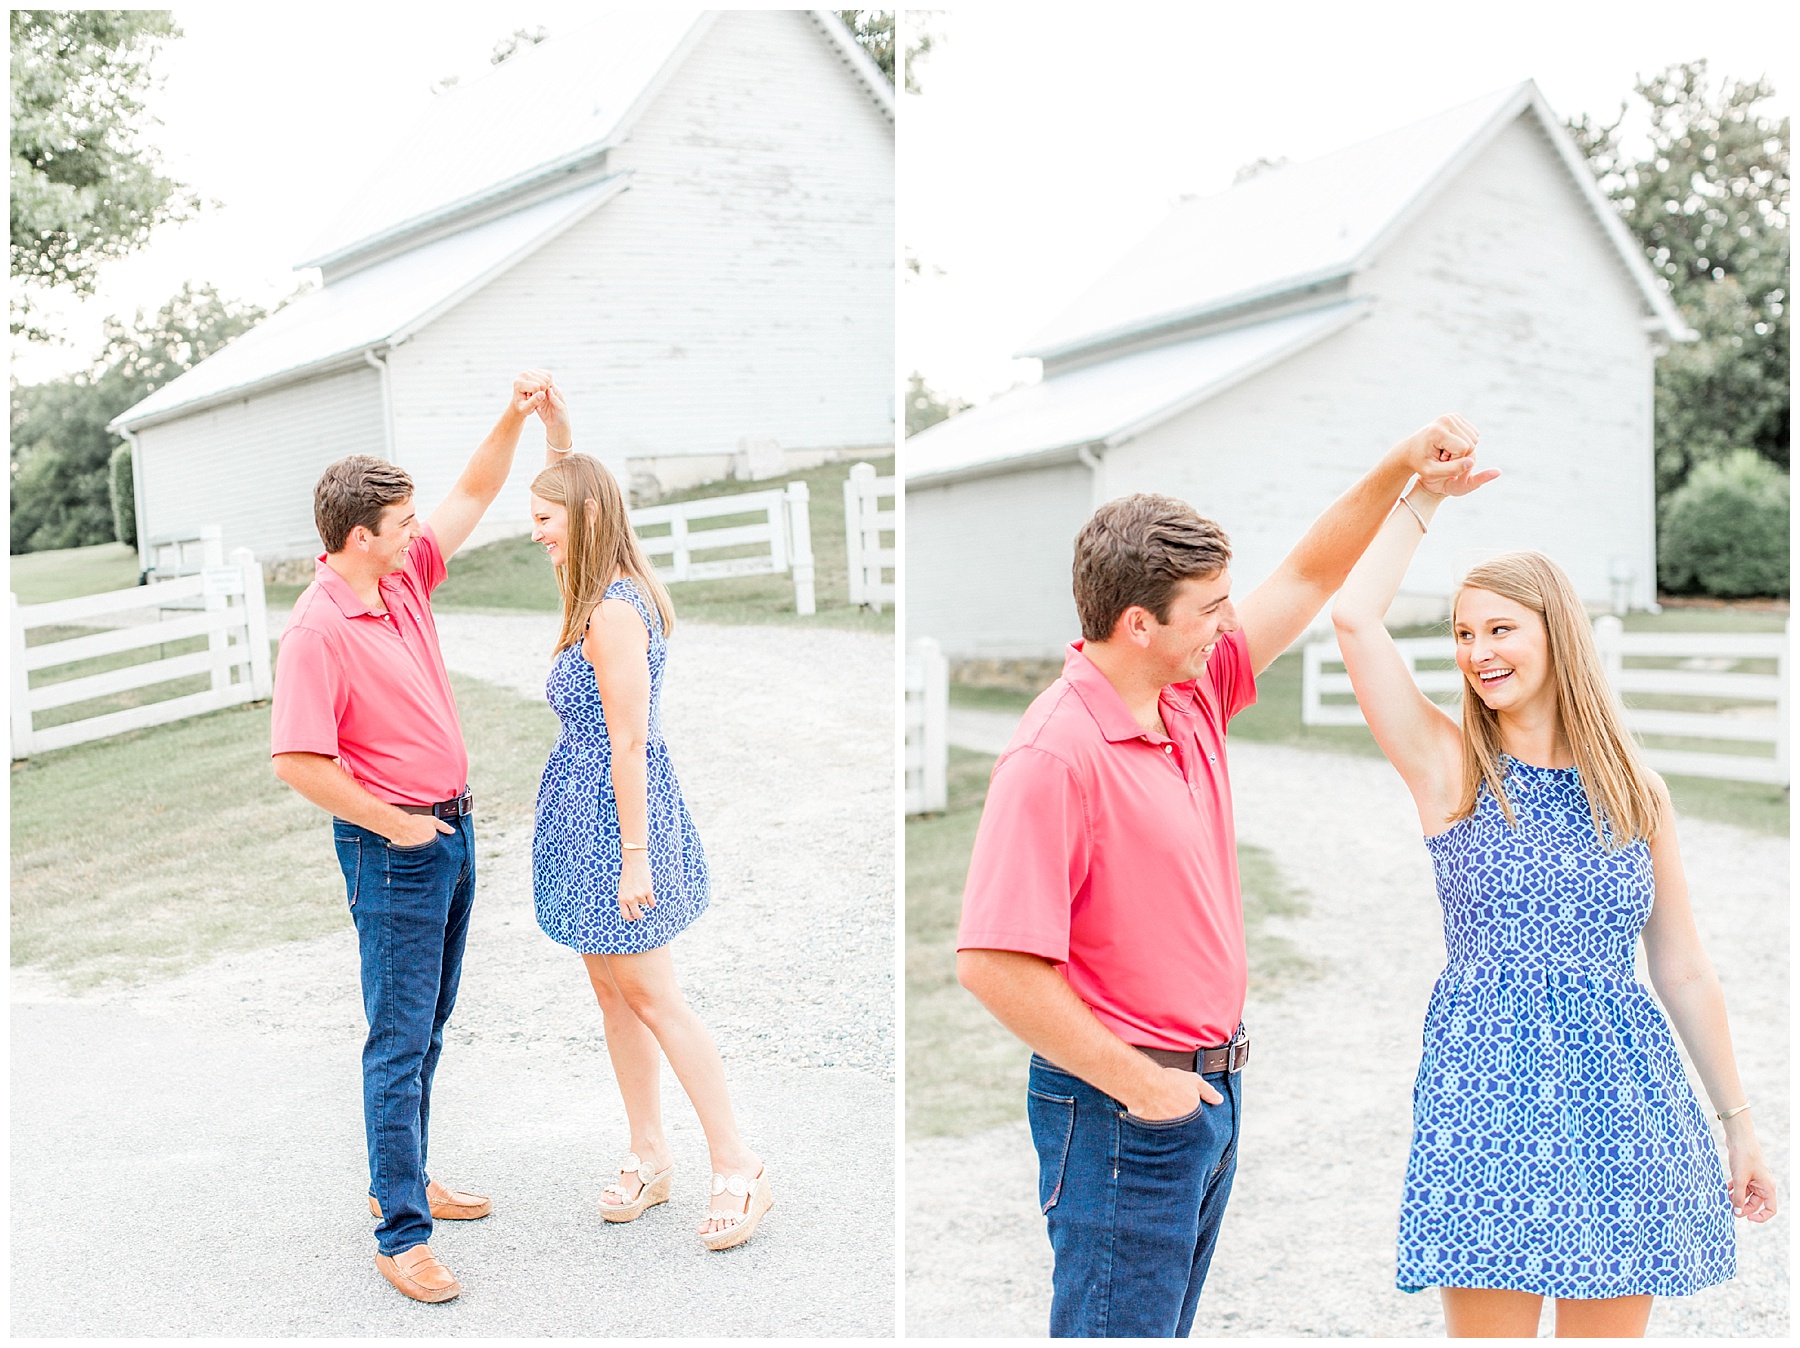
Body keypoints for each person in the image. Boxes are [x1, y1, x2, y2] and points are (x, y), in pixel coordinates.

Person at [957, 416, 1484, 1338]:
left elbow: (1311, 575)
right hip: (1124, 1110)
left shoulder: (1189, 693)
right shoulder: (1053, 756)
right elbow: (992, 964)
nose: (1231, 621)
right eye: (1211, 608)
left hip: (1204, 1093)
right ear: (1139, 624)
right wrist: (1143, 1087)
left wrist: (1406, 471)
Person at [1329, 466, 1778, 1338]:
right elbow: (1354, 617)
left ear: (1557, 633)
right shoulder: (1451, 768)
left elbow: (1682, 967)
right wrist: (1426, 495)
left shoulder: (1635, 792)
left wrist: (1739, 1124)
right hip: (1486, 1096)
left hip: (1622, 1098)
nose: (1478, 652)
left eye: (1500, 628)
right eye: (1464, 633)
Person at [271, 370, 556, 1304]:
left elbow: (474, 489)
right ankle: (401, 1233)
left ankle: (405, 1175)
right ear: (359, 536)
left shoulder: (399, 579)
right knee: (397, 1041)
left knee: (428, 1026)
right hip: (396, 851)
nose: (416, 533)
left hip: (452, 830)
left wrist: (514, 416)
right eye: (400, 524)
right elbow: (298, 761)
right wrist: (401, 828)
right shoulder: (318, 629)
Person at [526, 388, 772, 1251]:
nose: (535, 532)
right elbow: (575, 493)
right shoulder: (593, 588)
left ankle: (739, 1163)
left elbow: (628, 743)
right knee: (612, 990)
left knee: (656, 996)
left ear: (585, 519)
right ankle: (648, 1152)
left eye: (546, 518)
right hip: (585, 815)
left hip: (617, 819)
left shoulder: (614, 612)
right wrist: (558, 438)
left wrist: (635, 858)